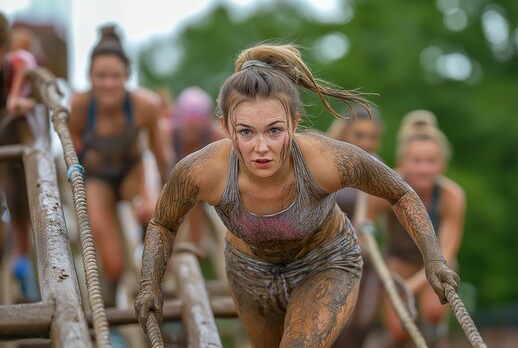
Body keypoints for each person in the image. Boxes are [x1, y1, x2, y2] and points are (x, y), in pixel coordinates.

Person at [134, 43, 460, 347]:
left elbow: (400, 193)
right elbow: (163, 223)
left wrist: (433, 260)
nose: (261, 147)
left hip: (325, 263)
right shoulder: (201, 170)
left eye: (274, 130)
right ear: (225, 126)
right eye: (246, 132)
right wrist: (150, 283)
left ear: (294, 122)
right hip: (249, 272)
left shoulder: (326, 159)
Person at [69, 25, 169, 301]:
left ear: (127, 75)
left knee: (151, 211)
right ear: (90, 76)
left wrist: (163, 196)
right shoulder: (79, 107)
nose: (108, 84)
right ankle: (112, 297)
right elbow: (72, 151)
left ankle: (153, 272)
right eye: (101, 76)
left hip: (131, 171)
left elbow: (160, 156)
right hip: (98, 177)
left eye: (115, 76)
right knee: (112, 262)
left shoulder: (144, 105)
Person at [367, 110, 466, 346]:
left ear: (442, 165)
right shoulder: (385, 189)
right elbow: (365, 224)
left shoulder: (451, 197)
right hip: (398, 261)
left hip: (436, 262)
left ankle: (435, 334)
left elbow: (447, 253)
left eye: (430, 161)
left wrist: (407, 288)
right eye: (416, 161)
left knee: (433, 312)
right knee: (401, 330)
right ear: (402, 162)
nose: (423, 168)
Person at [331, 106, 384, 347]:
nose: (366, 143)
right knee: (336, 323)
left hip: (364, 254)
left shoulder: (378, 167)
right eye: (359, 135)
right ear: (345, 134)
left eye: (372, 137)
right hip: (329, 255)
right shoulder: (328, 162)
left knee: (363, 323)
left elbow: (372, 210)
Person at [0, 12, 39, 302]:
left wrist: (15, 96)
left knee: (19, 204)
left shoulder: (14, 63)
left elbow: (25, 60)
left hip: (14, 146)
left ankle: (22, 265)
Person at [168, 86, 226, 245]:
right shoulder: (167, 133)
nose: (190, 125)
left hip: (206, 197)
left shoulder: (218, 138)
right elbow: (155, 169)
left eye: (197, 119)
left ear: (207, 122)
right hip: (169, 191)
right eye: (186, 118)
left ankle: (196, 245)